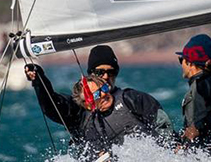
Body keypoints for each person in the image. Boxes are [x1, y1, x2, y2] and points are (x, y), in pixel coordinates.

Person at [24, 44, 173, 145]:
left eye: (111, 71)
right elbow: (51, 105)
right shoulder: (78, 110)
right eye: (100, 72)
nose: (106, 76)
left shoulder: (132, 99)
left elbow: (163, 126)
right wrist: (39, 81)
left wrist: (173, 146)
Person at [176, 34, 211, 147]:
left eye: (181, 60)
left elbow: (196, 125)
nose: (181, 64)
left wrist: (198, 129)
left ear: (190, 63)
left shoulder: (200, 85)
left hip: (206, 149)